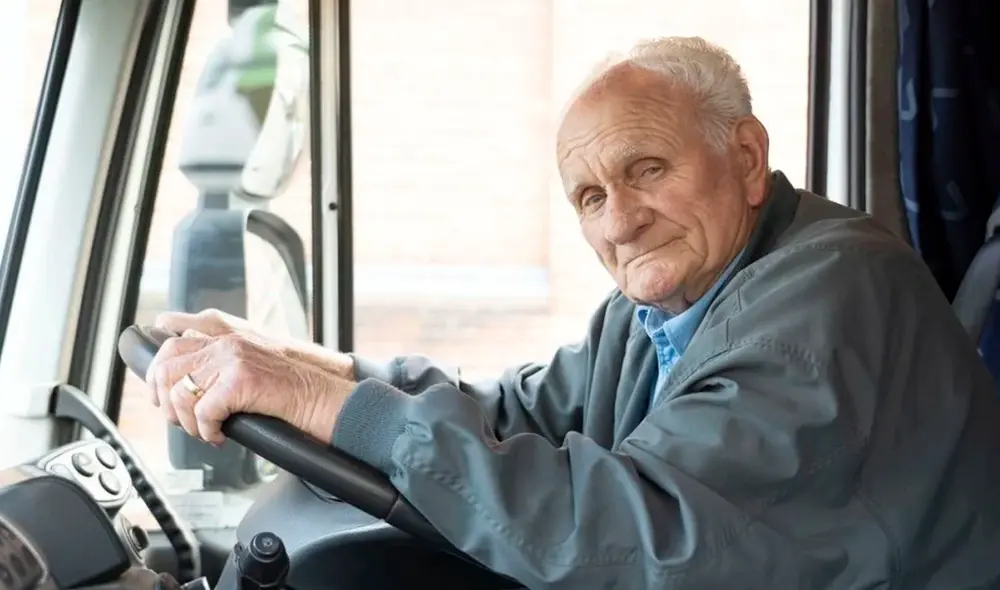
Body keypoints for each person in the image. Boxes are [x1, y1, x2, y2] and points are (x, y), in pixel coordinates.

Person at [145, 36, 1000, 588]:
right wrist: (304, 370)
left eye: (648, 170)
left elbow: (624, 532)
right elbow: (517, 411)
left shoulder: (828, 300)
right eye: (590, 196)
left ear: (745, 158)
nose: (619, 221)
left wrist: (327, 407)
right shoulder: (672, 300)